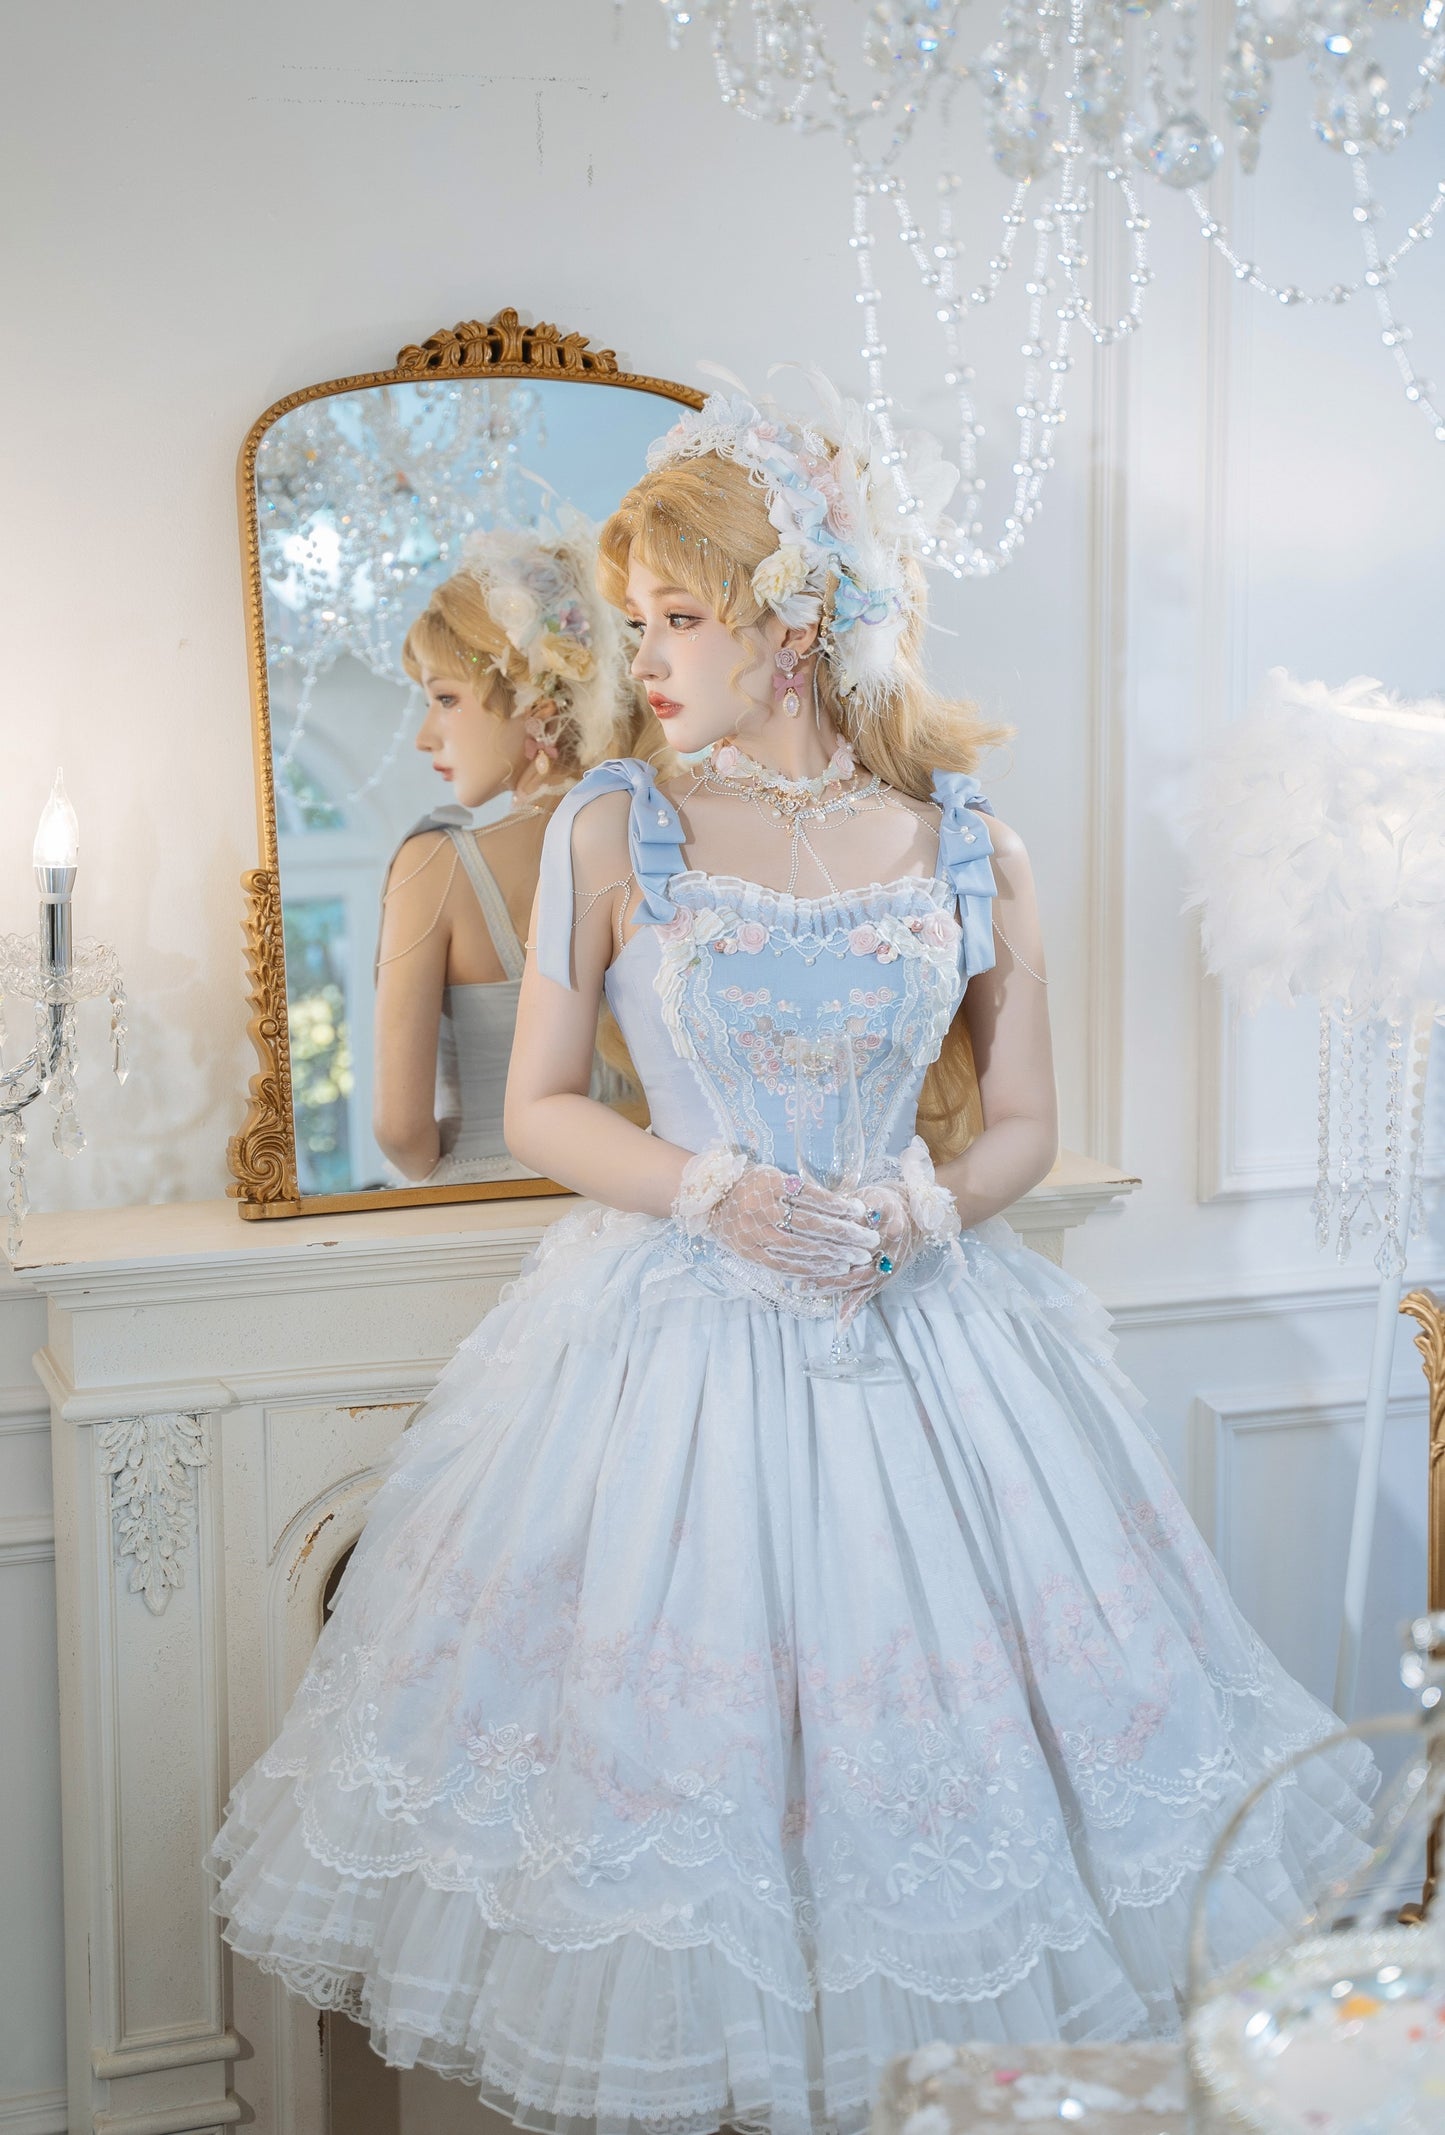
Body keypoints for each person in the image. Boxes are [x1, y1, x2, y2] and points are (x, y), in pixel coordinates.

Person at [207, 377, 1376, 2135]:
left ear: (796, 619)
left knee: (956, 1797)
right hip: (671, 1337)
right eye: (637, 622)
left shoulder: (970, 839)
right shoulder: (613, 826)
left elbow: (1023, 1124)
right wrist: (707, 1193)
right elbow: (537, 1107)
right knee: (695, 1802)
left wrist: (925, 1208)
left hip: (930, 1337)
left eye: (679, 616)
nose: (647, 655)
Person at [374, 510, 644, 1184]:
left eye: (444, 698)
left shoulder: (434, 866)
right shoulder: (662, 841)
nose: (425, 737)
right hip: (638, 1202)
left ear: (537, 705)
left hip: (484, 1209)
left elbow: (401, 1130)